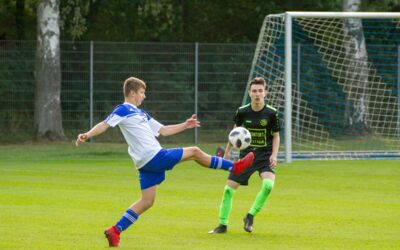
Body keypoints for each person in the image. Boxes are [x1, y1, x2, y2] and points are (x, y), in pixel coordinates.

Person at [75, 76, 254, 247]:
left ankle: (115, 230)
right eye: (142, 92)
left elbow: (163, 130)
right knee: (194, 151)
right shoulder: (123, 109)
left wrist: (185, 125)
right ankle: (234, 166)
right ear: (132, 93)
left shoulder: (141, 114)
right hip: (153, 156)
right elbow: (105, 124)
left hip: (145, 164)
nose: (144, 96)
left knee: (147, 201)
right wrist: (87, 134)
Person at [208, 77, 280, 234]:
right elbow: (234, 134)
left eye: (260, 91)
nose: (257, 94)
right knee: (228, 190)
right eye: (254, 91)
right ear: (249, 93)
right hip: (246, 157)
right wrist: (226, 154)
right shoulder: (242, 112)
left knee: (268, 185)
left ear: (265, 93)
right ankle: (222, 225)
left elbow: (276, 136)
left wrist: (274, 155)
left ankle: (250, 216)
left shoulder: (271, 113)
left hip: (265, 156)